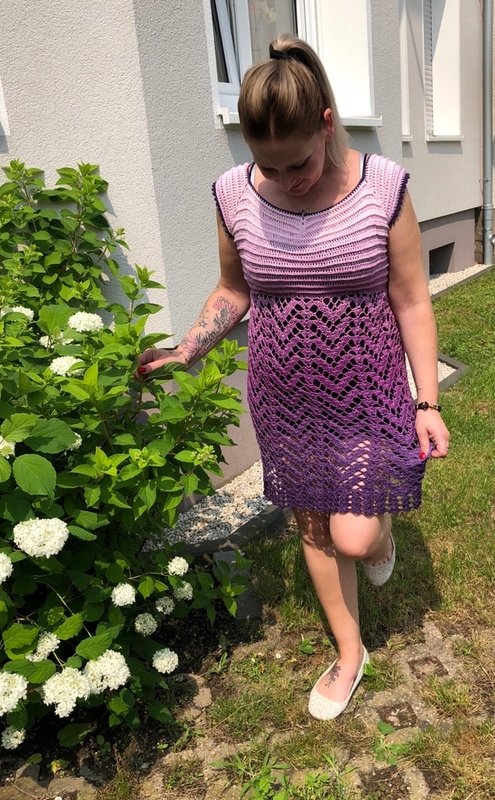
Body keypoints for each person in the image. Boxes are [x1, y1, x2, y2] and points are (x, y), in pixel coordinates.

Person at [136, 34, 450, 721]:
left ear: (326, 124)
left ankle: (381, 535)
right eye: (269, 166)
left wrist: (425, 401)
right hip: (285, 400)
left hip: (367, 391)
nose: (286, 179)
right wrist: (189, 348)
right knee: (313, 527)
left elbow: (411, 300)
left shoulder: (381, 187)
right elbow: (234, 289)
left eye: (299, 162)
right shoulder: (233, 195)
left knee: (355, 536)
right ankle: (349, 653)